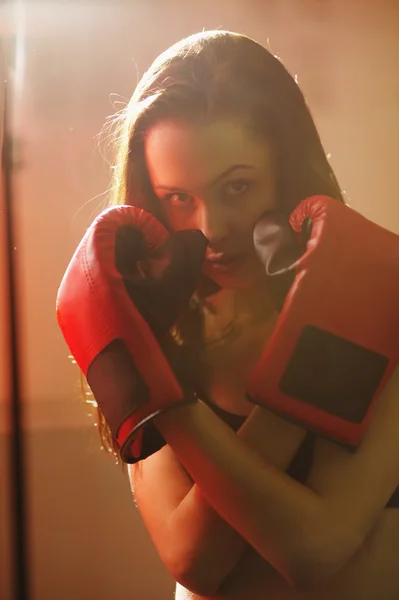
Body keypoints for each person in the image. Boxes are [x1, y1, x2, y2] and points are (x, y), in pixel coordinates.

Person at [78, 31, 399, 599]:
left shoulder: (382, 301)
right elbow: (193, 561)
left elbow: (316, 549)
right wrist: (154, 383)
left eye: (238, 187)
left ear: (286, 168)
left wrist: (313, 330)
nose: (212, 229)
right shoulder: (167, 330)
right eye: (178, 198)